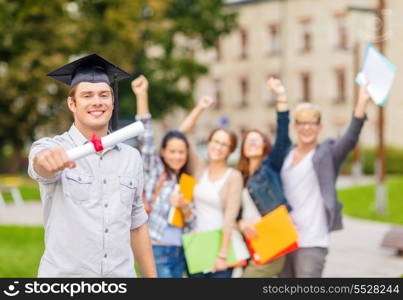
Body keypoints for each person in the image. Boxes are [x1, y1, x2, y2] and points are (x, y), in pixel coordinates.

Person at [28, 54, 156, 277]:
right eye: (87, 95)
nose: (97, 101)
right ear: (72, 103)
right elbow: (40, 164)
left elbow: (136, 224)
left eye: (104, 95)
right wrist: (47, 161)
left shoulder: (131, 157)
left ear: (112, 102)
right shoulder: (53, 148)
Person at [279, 85, 371, 278]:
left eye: (312, 123)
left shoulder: (326, 154)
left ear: (319, 127)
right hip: (284, 238)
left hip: (312, 240)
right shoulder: (285, 155)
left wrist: (361, 104)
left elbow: (349, 139)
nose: (307, 128)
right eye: (302, 123)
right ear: (294, 126)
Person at [132, 75, 196, 278]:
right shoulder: (155, 169)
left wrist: (185, 207)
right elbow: (145, 135)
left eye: (181, 152)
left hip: (180, 251)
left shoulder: (186, 180)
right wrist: (142, 95)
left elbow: (192, 221)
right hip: (157, 248)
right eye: (172, 151)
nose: (177, 156)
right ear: (163, 152)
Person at [179, 97, 243, 278]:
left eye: (224, 144)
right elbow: (183, 133)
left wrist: (222, 255)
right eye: (215, 142)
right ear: (208, 143)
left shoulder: (233, 177)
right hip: (197, 245)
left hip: (221, 248)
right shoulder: (198, 168)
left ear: (230, 150)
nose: (218, 147)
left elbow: (230, 218)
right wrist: (200, 107)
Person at [237, 77, 292, 278]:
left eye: (257, 140)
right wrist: (241, 223)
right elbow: (234, 210)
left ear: (264, 147)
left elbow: (283, 135)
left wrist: (280, 95)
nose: (252, 143)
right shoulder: (239, 177)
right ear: (243, 147)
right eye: (248, 140)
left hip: (272, 238)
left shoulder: (271, 168)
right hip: (247, 242)